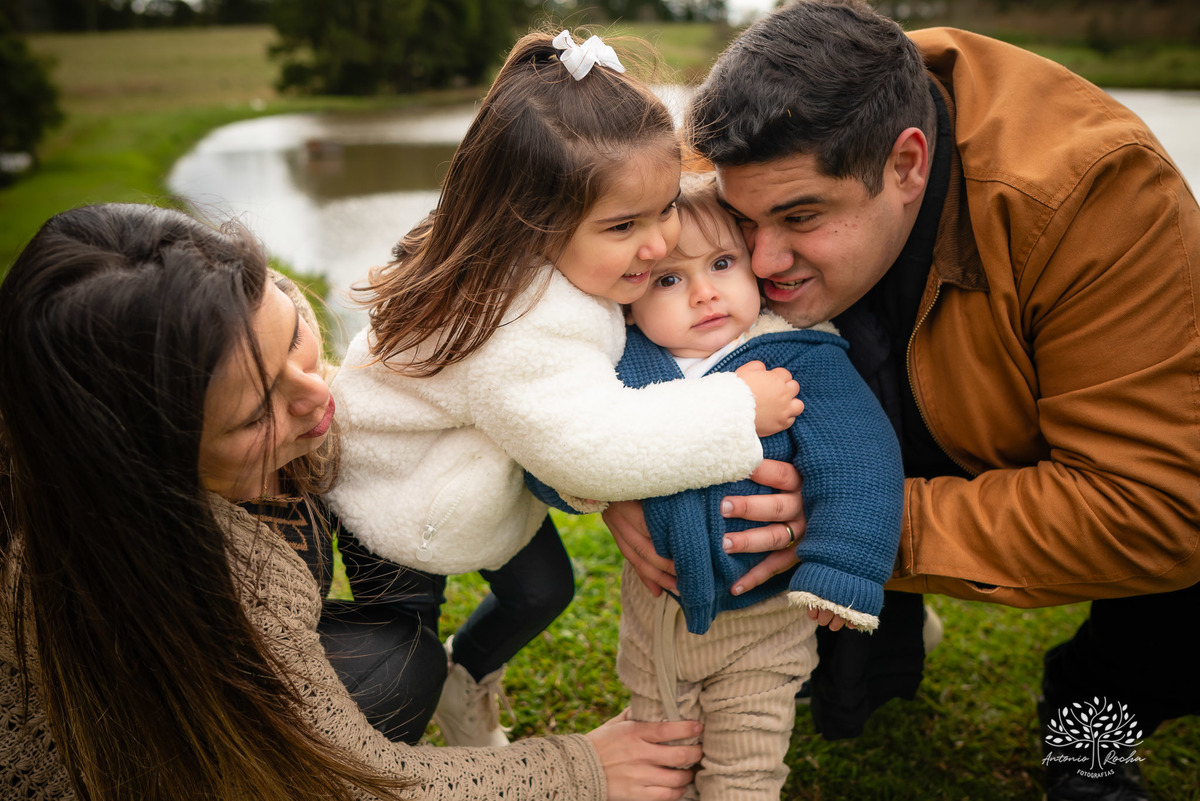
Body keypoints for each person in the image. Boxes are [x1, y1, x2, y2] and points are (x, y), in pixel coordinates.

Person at [607, 1, 1200, 798]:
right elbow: (565, 311)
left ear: (908, 164)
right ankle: (869, 657)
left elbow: (1156, 504)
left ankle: (1094, 703)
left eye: (801, 216)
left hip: (1092, 467)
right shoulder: (796, 127)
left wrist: (853, 523)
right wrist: (628, 468)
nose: (762, 259)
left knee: (1168, 628)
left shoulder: (1098, 199)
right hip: (875, 400)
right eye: (744, 219)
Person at [0, 202, 708, 801]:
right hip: (159, 766)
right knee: (399, 665)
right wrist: (582, 766)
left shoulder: (247, 379)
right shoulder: (175, 575)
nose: (317, 394)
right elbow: (337, 781)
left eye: (296, 337)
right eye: (256, 414)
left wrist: (602, 479)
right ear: (146, 466)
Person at [323, 28, 803, 748]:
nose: (658, 243)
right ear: (532, 222)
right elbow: (594, 447)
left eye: (666, 206)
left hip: (476, 475)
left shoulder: (561, 260)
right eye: (623, 225)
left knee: (545, 589)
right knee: (404, 656)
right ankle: (390, 751)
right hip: (394, 491)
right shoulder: (518, 321)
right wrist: (737, 407)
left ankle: (468, 676)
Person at [531, 170, 904, 799]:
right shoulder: (616, 366)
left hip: (763, 626)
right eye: (669, 279)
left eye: (723, 263)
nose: (704, 293)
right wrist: (597, 489)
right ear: (628, 299)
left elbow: (861, 459)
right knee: (659, 766)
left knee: (744, 772)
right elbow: (553, 450)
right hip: (657, 625)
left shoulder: (799, 357)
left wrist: (839, 566)